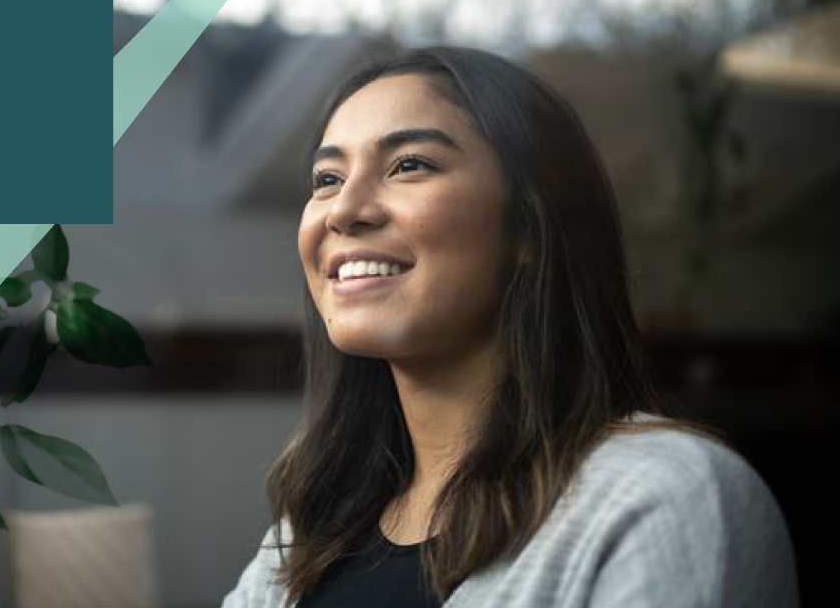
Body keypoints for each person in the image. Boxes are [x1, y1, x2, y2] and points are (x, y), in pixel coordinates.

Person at [220, 47, 798, 608]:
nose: (344, 210)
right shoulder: (308, 532)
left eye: (409, 165)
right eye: (327, 178)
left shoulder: (666, 497)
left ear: (527, 227)